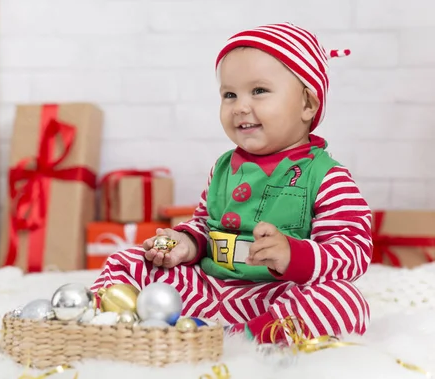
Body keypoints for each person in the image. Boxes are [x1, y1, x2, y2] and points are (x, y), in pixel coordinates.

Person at [91, 22, 372, 343]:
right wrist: (186, 244)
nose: (240, 106)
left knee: (344, 301)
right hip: (208, 290)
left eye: (259, 91)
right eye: (229, 94)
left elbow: (353, 252)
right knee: (125, 261)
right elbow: (204, 224)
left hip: (273, 297)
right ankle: (112, 322)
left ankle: (249, 339)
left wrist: (293, 256)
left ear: (307, 104)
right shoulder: (224, 166)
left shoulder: (326, 176)